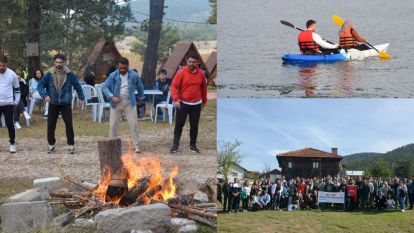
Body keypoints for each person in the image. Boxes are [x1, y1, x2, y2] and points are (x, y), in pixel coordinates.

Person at [37, 54, 84, 154]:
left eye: (61, 62)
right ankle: (51, 145)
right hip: (53, 102)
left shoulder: (70, 74)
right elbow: (40, 85)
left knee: (69, 124)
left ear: (64, 62)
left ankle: (71, 145)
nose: (58, 64)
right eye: (57, 62)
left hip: (65, 102)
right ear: (54, 62)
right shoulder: (48, 74)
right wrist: (45, 95)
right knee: (51, 125)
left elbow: (77, 86)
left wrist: (81, 98)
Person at [102, 57, 144, 153]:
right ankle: (111, 146)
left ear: (128, 66)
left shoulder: (134, 75)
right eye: (121, 68)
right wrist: (112, 97)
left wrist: (141, 97)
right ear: (118, 66)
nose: (122, 70)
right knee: (113, 125)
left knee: (133, 125)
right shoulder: (113, 76)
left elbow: (140, 86)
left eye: (124, 68)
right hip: (116, 103)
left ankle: (136, 146)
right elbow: (105, 88)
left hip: (129, 103)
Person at [170, 53, 207, 153]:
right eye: (190, 61)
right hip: (183, 103)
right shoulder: (181, 73)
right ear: (187, 62)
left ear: (197, 63)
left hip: (196, 104)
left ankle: (193, 145)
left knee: (194, 125)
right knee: (179, 125)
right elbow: (173, 86)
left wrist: (204, 101)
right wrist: (176, 99)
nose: (191, 63)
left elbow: (204, 88)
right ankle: (175, 146)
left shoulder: (201, 74)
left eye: (194, 62)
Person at [0, 55, 21, 153]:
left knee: (10, 124)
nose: (1, 67)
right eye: (0, 65)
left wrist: (16, 101)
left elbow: (17, 89)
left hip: (8, 103)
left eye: (3, 65)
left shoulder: (12, 74)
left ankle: (12, 143)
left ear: (6, 64)